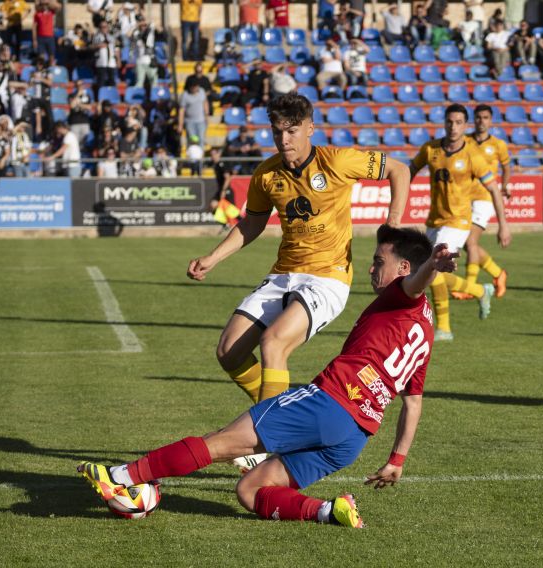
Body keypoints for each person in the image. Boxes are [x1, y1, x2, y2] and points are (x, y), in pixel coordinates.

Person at [79, 224, 452, 527]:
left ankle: (122, 476)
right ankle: (328, 510)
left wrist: (431, 266)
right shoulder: (426, 329)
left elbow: (415, 284)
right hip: (355, 437)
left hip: (331, 402)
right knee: (252, 489)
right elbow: (413, 402)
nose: (371, 269)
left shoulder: (402, 296)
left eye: (378, 261)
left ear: (404, 269)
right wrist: (397, 460)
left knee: (220, 442)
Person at [186, 92, 410, 422]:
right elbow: (252, 222)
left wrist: (393, 222)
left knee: (273, 342)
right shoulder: (266, 174)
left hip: (328, 277)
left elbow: (399, 170)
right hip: (284, 273)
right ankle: (283, 410)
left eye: (291, 131)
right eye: (277, 131)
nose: (283, 139)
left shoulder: (338, 161)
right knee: (229, 350)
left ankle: (263, 439)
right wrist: (214, 257)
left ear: (309, 129)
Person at [409, 103, 511, 341]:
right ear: (444, 123)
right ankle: (479, 290)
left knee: (434, 269)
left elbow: (494, 190)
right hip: (435, 220)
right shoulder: (430, 149)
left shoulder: (473, 156)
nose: (453, 127)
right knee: (430, 271)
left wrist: (504, 224)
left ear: (465, 126)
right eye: (449, 122)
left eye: (458, 123)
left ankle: (444, 329)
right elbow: (410, 170)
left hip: (458, 222)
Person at [454, 104, 512, 301]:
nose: (481, 121)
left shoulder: (498, 145)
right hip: (465, 198)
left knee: (470, 242)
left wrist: (503, 186)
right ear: (474, 120)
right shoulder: (465, 141)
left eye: (485, 117)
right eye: (478, 117)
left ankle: (470, 288)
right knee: (466, 243)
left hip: (484, 198)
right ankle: (498, 273)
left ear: (490, 120)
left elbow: (506, 167)